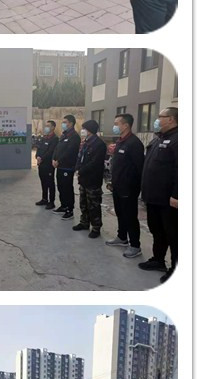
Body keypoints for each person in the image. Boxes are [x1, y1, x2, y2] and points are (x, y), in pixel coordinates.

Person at [139, 107, 178, 283]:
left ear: (171, 119)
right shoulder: (158, 138)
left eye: (161, 116)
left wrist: (176, 195)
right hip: (153, 196)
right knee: (157, 230)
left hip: (168, 199)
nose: (157, 120)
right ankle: (158, 259)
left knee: (173, 235)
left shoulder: (179, 140)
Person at [106, 113, 145, 259]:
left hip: (128, 187)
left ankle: (135, 245)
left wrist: (132, 186)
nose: (114, 126)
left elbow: (139, 168)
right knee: (120, 213)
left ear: (126, 125)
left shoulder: (134, 143)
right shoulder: (120, 141)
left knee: (130, 216)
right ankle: (122, 237)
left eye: (117, 124)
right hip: (117, 185)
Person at [73, 119, 106, 239]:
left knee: (94, 205)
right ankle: (84, 222)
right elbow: (79, 157)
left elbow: (95, 163)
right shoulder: (85, 142)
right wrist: (77, 168)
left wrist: (81, 170)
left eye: (84, 129)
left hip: (93, 180)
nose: (82, 131)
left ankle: (96, 227)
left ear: (90, 130)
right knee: (83, 203)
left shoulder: (99, 144)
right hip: (83, 179)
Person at [52, 115, 81, 220]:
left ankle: (70, 209)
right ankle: (63, 205)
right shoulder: (63, 135)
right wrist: (54, 159)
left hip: (67, 167)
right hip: (59, 166)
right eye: (63, 122)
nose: (63, 124)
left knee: (67, 188)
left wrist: (58, 160)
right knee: (60, 186)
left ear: (71, 123)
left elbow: (69, 152)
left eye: (65, 122)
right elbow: (57, 149)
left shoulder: (74, 137)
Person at [35, 121, 58, 208]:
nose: (46, 127)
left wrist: (41, 158)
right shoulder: (44, 137)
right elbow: (39, 148)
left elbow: (51, 151)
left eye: (48, 126)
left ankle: (51, 202)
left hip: (48, 165)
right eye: (46, 126)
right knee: (43, 182)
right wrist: (37, 156)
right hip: (41, 164)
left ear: (53, 127)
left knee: (50, 183)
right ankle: (44, 199)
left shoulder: (55, 139)